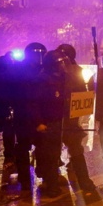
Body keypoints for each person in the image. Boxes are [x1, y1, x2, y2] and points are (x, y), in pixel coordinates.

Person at [56, 44, 96, 192]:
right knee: (72, 150)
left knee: (73, 150)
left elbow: (85, 94)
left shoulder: (76, 72)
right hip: (66, 118)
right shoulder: (77, 72)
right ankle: (83, 181)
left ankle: (83, 180)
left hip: (66, 118)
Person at [32, 49, 71, 197]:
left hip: (58, 122)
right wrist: (39, 122)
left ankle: (50, 179)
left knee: (54, 153)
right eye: (59, 63)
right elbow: (33, 104)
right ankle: (52, 186)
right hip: (47, 123)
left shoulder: (62, 78)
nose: (62, 66)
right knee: (49, 154)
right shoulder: (41, 80)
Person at [11, 42, 47, 191]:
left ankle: (41, 175)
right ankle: (26, 180)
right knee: (24, 148)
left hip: (37, 115)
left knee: (41, 147)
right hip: (24, 116)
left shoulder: (44, 70)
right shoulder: (19, 71)